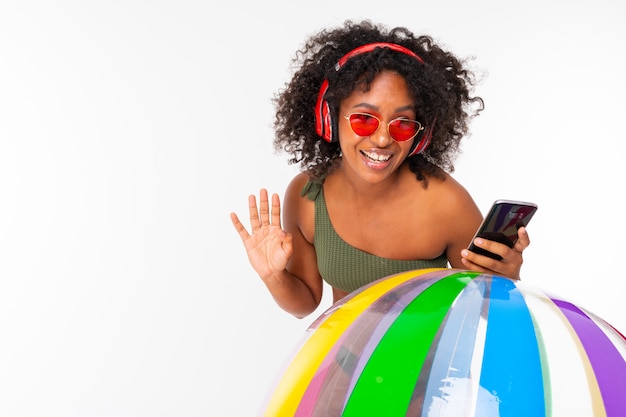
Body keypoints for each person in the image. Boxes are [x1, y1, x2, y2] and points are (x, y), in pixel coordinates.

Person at [230, 20, 530, 319]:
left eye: (401, 124)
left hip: (425, 367)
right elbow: (305, 302)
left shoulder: (446, 204)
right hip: (341, 363)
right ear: (331, 117)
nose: (383, 138)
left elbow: (486, 309)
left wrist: (507, 277)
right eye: (364, 119)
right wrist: (272, 275)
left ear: (421, 134)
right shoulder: (308, 196)